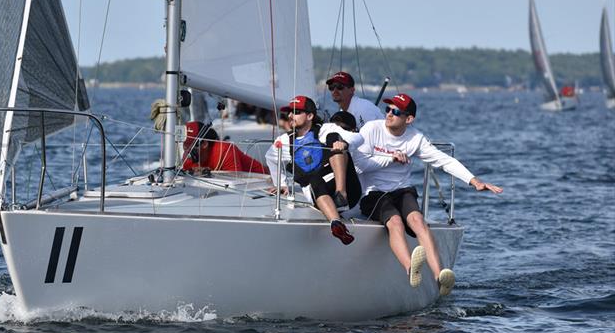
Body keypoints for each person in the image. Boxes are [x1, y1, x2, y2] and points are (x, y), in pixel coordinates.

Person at [356, 93, 503, 295]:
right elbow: (360, 165)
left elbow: (444, 160)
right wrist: (390, 159)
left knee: (418, 221)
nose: (389, 114)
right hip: (373, 193)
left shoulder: (415, 138)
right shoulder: (372, 129)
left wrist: (474, 180)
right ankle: (411, 270)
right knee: (395, 222)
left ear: (408, 119)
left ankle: (440, 276)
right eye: (388, 109)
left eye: (396, 112)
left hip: (402, 190)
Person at [265, 96, 364, 245]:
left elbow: (359, 138)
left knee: (333, 138)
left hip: (349, 190)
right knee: (313, 180)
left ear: (310, 116)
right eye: (289, 113)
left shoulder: (326, 129)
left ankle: (340, 194)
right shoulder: (285, 141)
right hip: (319, 192)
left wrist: (344, 144)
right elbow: (271, 157)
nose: (291, 116)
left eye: (296, 112)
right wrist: (281, 183)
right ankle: (336, 224)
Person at [182, 121, 268, 174]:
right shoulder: (188, 157)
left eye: (190, 145)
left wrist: (208, 173)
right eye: (185, 145)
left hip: (261, 181)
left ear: (204, 144)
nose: (186, 150)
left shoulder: (225, 150)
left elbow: (236, 180)